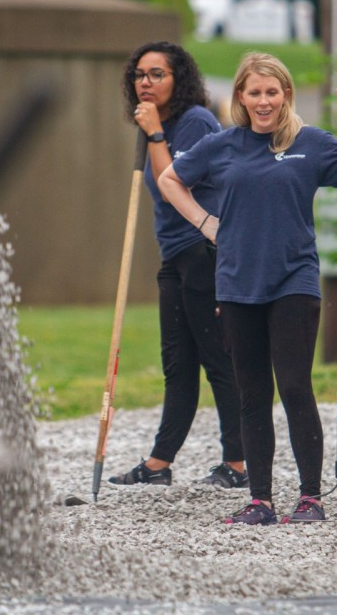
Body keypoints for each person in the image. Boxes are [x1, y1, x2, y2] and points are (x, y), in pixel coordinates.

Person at [158, 52, 337, 525]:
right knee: (252, 393)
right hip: (236, 282)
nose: (264, 101)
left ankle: (310, 498)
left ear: (286, 95)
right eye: (254, 92)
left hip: (292, 280)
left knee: (295, 386)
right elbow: (169, 179)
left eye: (272, 92)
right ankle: (260, 500)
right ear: (240, 96)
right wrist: (205, 223)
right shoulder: (222, 145)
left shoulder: (311, 143)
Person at [107, 41, 247, 489]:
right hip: (174, 257)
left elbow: (173, 187)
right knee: (177, 362)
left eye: (157, 74)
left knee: (218, 359)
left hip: (204, 251)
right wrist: (153, 130)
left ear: (178, 78)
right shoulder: (160, 124)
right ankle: (159, 463)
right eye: (139, 75)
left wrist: (154, 135)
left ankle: (238, 463)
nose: (145, 83)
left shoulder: (195, 122)